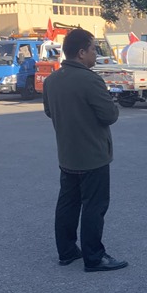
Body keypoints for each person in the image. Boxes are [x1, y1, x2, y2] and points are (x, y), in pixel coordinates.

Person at [43, 29, 127, 272]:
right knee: (94, 206)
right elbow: (109, 116)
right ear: (81, 53)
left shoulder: (52, 80)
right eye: (93, 49)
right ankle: (94, 257)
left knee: (68, 203)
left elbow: (49, 111)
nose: (95, 55)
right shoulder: (90, 80)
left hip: (67, 154)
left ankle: (67, 250)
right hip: (93, 155)